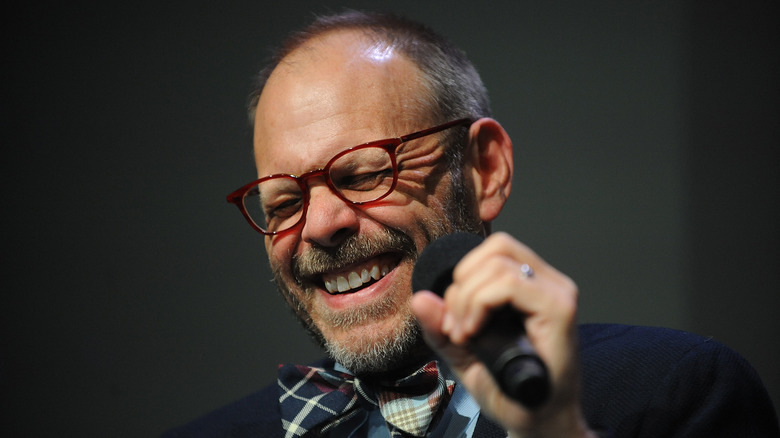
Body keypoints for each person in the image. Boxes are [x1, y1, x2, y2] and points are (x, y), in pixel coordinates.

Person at [165, 10, 779, 438]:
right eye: (281, 203)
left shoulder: (670, 392)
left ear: (483, 170)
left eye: (362, 174)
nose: (320, 223)